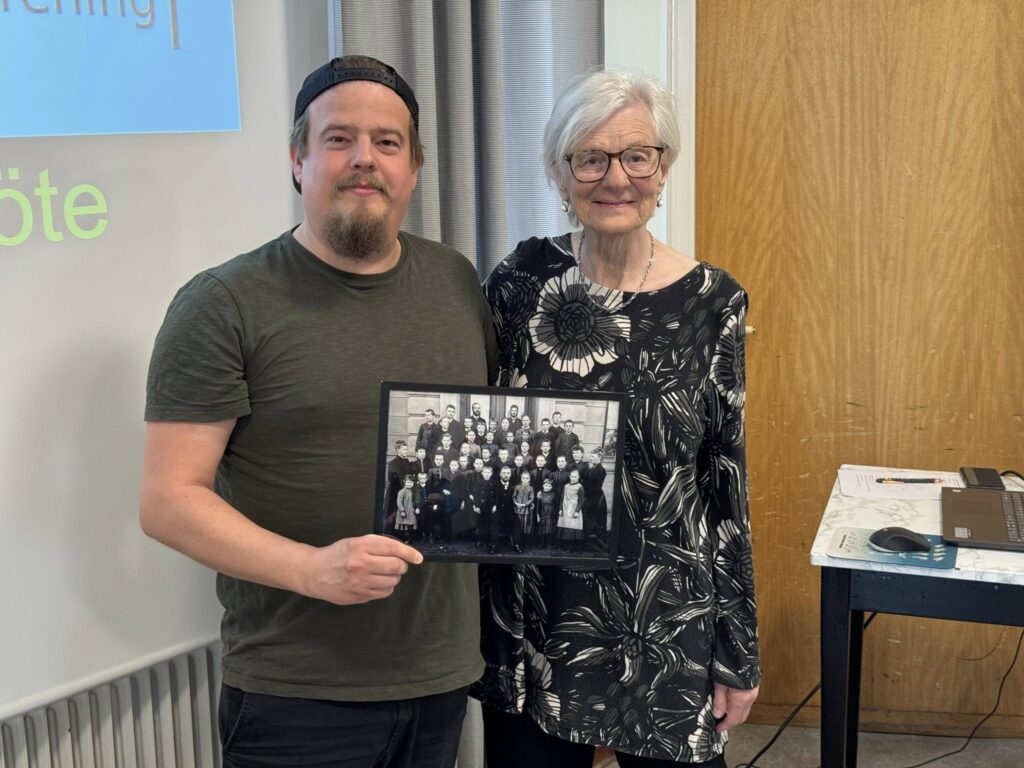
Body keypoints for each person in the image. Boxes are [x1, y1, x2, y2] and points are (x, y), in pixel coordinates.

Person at [140, 55, 497, 768]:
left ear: (414, 168)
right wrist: (312, 569)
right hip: (296, 691)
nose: (364, 158)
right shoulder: (223, 303)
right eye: (339, 139)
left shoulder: (456, 280)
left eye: (387, 142)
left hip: (439, 674)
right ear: (298, 160)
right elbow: (168, 502)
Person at [473, 68, 759, 767]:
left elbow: (725, 485)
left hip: (668, 623)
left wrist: (738, 647)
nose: (616, 178)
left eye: (637, 156)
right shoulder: (520, 282)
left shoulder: (712, 301)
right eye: (590, 158)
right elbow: (483, 439)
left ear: (663, 168)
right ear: (560, 172)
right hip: (538, 619)